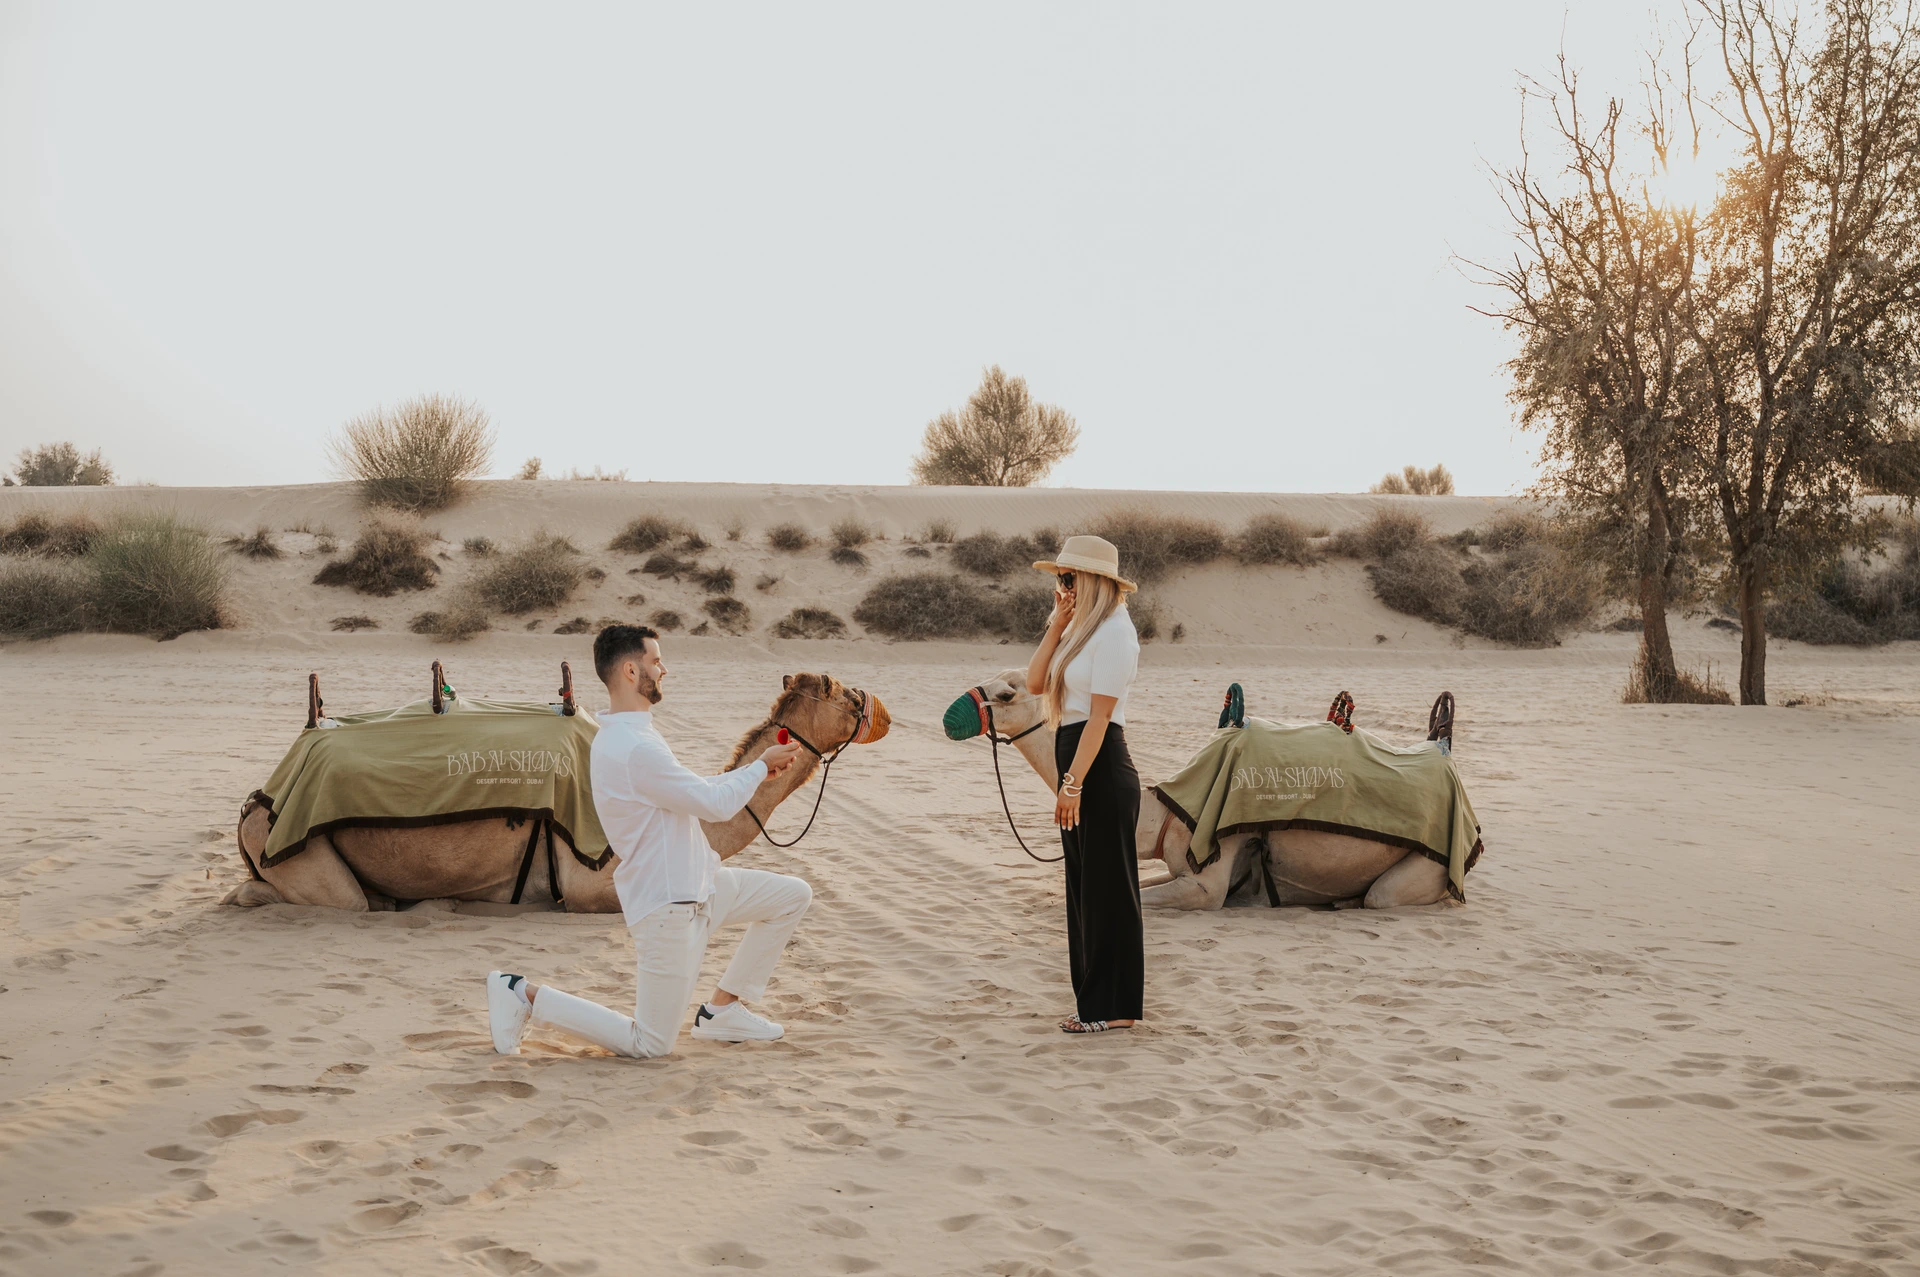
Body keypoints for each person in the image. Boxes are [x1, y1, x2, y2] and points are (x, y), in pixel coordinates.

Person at [485, 624, 809, 1057]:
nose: (665, 669)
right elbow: (713, 805)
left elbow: (692, 792)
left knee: (791, 896)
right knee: (651, 1044)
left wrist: (754, 774)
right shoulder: (633, 747)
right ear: (630, 671)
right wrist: (758, 765)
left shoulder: (634, 734)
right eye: (656, 661)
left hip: (703, 886)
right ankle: (521, 994)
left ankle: (722, 1012)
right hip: (668, 907)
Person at [1024, 535, 1143, 1033]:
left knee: (1107, 891)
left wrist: (1071, 784)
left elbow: (1100, 717)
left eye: (1069, 578)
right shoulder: (1083, 630)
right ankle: (1093, 1002)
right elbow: (1034, 683)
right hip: (1076, 759)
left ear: (1093, 580)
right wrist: (1057, 624)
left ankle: (1113, 1010)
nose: (1062, 585)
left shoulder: (1117, 633)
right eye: (1059, 578)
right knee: (1082, 890)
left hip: (1099, 765)